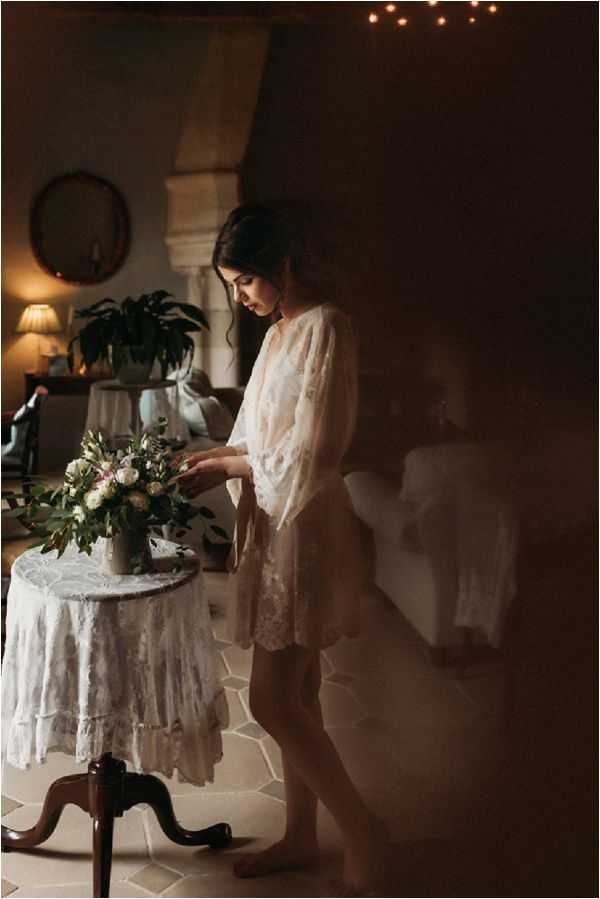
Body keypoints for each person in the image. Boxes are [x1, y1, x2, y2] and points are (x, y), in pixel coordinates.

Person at [174, 204, 389, 893]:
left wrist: (229, 467)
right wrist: (216, 455)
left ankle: (363, 829)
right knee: (299, 689)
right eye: (233, 285)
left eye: (244, 281)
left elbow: (315, 450)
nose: (240, 297)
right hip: (274, 525)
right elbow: (260, 436)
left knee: (271, 699)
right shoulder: (279, 333)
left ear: (282, 266)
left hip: (306, 527)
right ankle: (301, 834)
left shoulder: (327, 327)